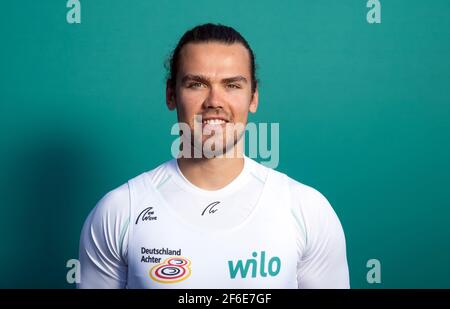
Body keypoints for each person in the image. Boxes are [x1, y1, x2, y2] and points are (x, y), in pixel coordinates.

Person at [77, 23, 350, 289]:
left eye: (232, 85)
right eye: (196, 84)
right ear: (171, 94)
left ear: (254, 97)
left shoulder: (307, 211)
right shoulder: (119, 211)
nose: (214, 101)